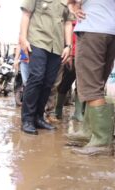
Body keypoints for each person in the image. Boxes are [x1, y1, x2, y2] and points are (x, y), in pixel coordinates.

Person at [67, 0, 115, 155]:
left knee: (91, 85)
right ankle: (89, 131)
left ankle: (101, 141)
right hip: (114, 31)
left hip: (93, 25)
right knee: (98, 84)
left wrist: (72, 5)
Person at [19, 0, 74, 135]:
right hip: (38, 40)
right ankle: (27, 119)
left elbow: (68, 23)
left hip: (57, 44)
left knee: (49, 83)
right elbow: (26, 15)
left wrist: (68, 46)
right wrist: (23, 38)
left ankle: (38, 117)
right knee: (37, 77)